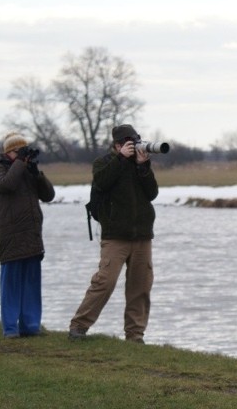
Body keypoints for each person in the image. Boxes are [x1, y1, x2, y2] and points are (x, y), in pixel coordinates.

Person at [69, 124, 158, 344]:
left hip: (142, 236)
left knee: (141, 286)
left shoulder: (141, 163)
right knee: (104, 282)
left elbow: (152, 193)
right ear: (117, 145)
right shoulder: (104, 163)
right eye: (129, 143)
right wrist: (120, 159)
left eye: (136, 141)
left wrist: (143, 166)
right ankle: (79, 326)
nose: (134, 146)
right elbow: (102, 182)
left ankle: (135, 335)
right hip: (115, 236)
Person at [0, 132, 55, 338]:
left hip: (32, 234)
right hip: (11, 234)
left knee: (32, 283)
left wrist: (36, 173)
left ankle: (31, 326)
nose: (23, 154)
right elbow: (6, 184)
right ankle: (10, 328)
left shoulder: (26, 169)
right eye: (18, 150)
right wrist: (20, 164)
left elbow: (49, 195)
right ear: (8, 152)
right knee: (11, 283)